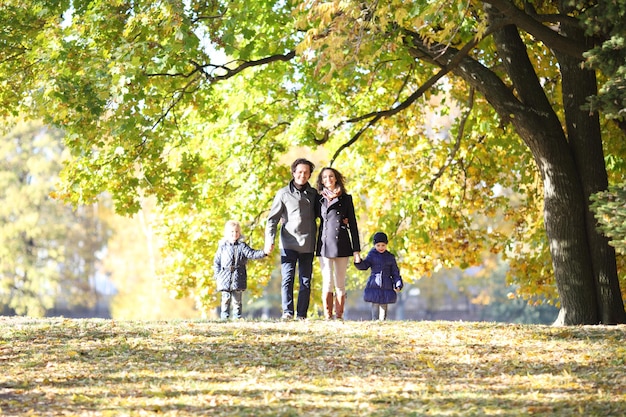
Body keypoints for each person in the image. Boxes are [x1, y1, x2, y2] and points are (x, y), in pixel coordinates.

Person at [265, 158, 319, 320]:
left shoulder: (314, 194)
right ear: (293, 173)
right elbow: (272, 219)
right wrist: (270, 240)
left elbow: (323, 215)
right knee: (287, 278)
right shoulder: (283, 193)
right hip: (288, 242)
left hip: (308, 243)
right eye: (300, 172)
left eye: (306, 172)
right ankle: (288, 312)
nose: (302, 175)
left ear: (309, 175)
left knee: (305, 281)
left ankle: (301, 314)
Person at [315, 167, 361, 320]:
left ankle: (339, 315)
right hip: (324, 244)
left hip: (341, 243)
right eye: (325, 177)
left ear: (336, 178)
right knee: (327, 281)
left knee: (340, 282)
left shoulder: (346, 199)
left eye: (331, 176)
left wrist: (356, 250)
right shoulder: (318, 199)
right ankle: (328, 316)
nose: (328, 179)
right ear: (321, 181)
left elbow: (353, 224)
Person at [214, 220, 268, 320]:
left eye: (237, 232)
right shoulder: (222, 247)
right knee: (225, 298)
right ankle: (224, 317)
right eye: (232, 232)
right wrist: (217, 275)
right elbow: (217, 262)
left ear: (239, 233)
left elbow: (252, 254)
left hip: (238, 277)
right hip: (224, 277)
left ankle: (237, 317)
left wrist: (264, 252)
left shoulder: (242, 246)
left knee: (237, 300)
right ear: (227, 233)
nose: (234, 234)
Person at [354, 232, 403, 321]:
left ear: (386, 245)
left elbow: (395, 272)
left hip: (387, 284)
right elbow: (365, 265)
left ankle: (382, 321)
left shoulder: (390, 257)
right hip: (374, 283)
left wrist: (398, 283)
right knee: (375, 303)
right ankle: (374, 320)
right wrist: (358, 262)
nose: (381, 247)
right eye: (378, 245)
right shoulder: (372, 255)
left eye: (383, 245)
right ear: (375, 245)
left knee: (384, 304)